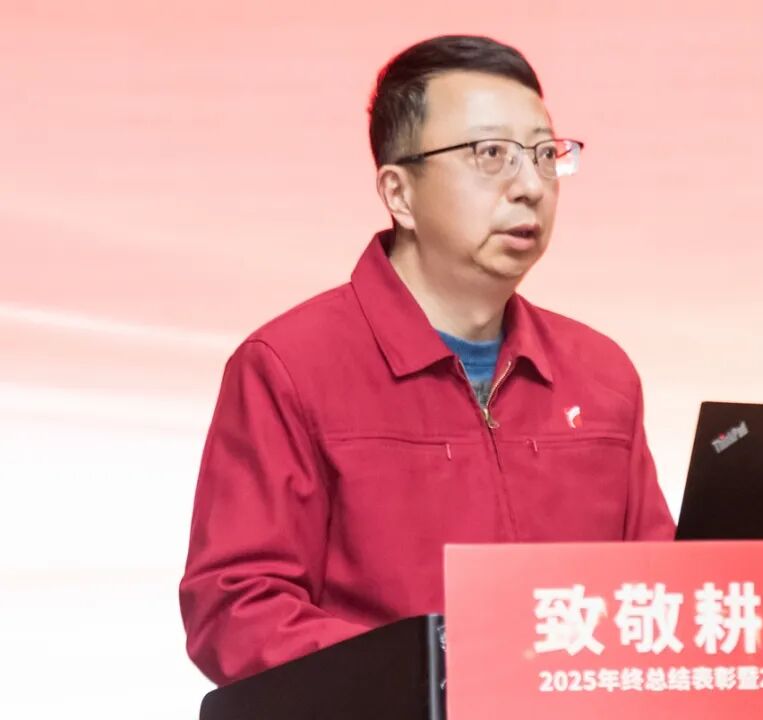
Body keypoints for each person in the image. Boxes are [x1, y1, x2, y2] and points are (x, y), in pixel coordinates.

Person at [179, 34, 675, 686]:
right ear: (399, 193)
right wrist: (438, 671)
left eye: (544, 154)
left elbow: (661, 596)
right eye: (491, 155)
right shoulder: (289, 367)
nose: (530, 186)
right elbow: (238, 611)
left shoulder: (601, 374)